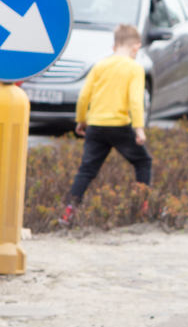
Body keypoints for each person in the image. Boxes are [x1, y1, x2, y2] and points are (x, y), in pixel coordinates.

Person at [61, 23, 153, 226]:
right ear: (136, 47)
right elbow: (135, 101)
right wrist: (139, 129)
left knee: (86, 170)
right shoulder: (135, 68)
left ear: (114, 47)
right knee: (142, 162)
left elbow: (84, 95)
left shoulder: (100, 65)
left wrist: (81, 120)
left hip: (95, 125)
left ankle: (69, 211)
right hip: (119, 125)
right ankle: (142, 207)